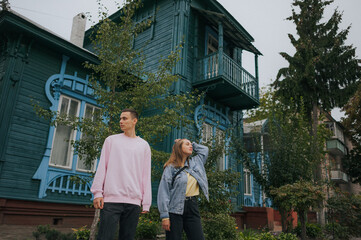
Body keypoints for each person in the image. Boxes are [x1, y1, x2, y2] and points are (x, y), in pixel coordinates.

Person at [90, 109, 152, 240]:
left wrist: (146, 202)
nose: (121, 121)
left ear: (134, 121)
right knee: (104, 237)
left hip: (133, 202)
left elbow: (146, 176)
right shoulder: (111, 141)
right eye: (120, 119)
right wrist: (97, 193)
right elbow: (102, 167)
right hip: (111, 200)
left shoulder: (144, 145)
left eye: (124, 118)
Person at [157, 139, 209, 240]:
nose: (190, 146)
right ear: (179, 148)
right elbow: (164, 191)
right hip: (174, 208)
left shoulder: (196, 162)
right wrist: (165, 216)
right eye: (187, 144)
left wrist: (193, 144)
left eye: (191, 144)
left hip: (192, 206)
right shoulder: (170, 168)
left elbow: (205, 150)